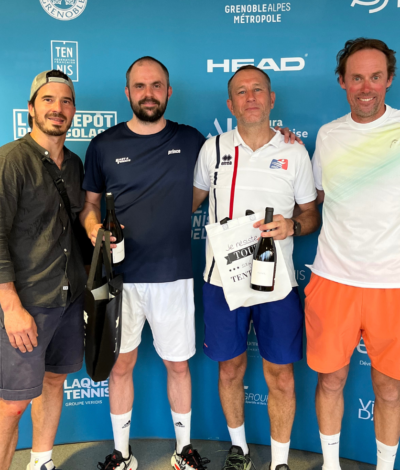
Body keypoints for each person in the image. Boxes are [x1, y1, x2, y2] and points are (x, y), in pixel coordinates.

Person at [80, 56, 210, 470]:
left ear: (168, 92)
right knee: (121, 366)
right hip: (119, 279)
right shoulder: (103, 145)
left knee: (178, 365)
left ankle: (183, 451)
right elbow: (89, 206)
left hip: (173, 274)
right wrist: (95, 230)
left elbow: (231, 160)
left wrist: (282, 136)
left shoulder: (192, 140)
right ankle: (122, 454)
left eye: (156, 86)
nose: (148, 94)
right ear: (128, 92)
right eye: (140, 86)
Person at [192, 65, 320, 470]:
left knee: (280, 374)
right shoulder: (212, 149)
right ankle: (240, 450)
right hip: (221, 281)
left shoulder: (294, 152)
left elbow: (310, 214)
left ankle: (279, 461)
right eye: (242, 92)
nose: (251, 98)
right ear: (230, 104)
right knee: (230, 368)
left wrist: (292, 226)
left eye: (258, 90)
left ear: (271, 99)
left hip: (276, 283)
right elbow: (188, 203)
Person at [305, 38, 400, 470]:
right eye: (357, 77)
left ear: (389, 80)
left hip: (392, 284)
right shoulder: (328, 135)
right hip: (334, 279)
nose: (366, 87)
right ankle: (330, 465)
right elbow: (316, 196)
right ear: (342, 82)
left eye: (375, 77)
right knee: (330, 381)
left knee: (391, 389)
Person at [0, 70, 87, 470]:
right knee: (12, 404)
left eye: (66, 101)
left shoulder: (74, 164)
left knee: (54, 381)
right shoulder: (11, 160)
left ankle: (41, 461)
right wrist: (10, 305)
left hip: (68, 298)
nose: (57, 108)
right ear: (31, 109)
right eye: (48, 100)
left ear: (73, 112)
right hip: (27, 303)